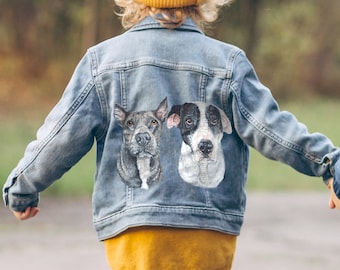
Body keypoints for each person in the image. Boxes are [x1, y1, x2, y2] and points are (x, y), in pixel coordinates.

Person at [3, 0, 340, 269]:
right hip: (207, 232)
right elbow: (273, 128)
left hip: (135, 231)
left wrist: (23, 186)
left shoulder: (103, 62)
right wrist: (328, 164)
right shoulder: (228, 63)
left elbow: (61, 135)